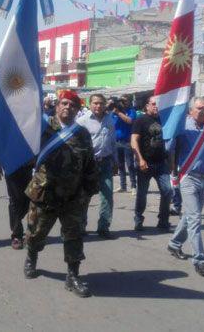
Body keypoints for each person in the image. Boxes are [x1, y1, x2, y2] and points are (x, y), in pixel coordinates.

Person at [23, 90, 99, 298]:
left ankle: (73, 276)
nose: (67, 107)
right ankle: (31, 257)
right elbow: (23, 147)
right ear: (57, 107)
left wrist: (90, 189)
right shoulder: (44, 128)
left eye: (72, 105)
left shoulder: (82, 133)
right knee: (37, 232)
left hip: (74, 196)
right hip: (45, 193)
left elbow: (90, 163)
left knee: (74, 236)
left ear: (77, 109)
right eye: (64, 103)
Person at [166, 97, 204, 278]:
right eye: (198, 108)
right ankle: (200, 260)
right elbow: (169, 148)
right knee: (195, 219)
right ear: (191, 110)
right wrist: (170, 135)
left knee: (190, 216)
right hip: (188, 178)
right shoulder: (181, 127)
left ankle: (175, 244)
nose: (201, 111)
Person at [131, 96, 175, 231]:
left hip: (161, 162)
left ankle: (163, 220)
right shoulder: (140, 120)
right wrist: (140, 159)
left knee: (167, 190)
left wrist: (171, 162)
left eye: (158, 104)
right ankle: (138, 218)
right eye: (153, 104)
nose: (156, 106)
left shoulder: (165, 120)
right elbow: (134, 140)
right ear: (147, 106)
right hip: (146, 163)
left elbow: (171, 141)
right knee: (142, 193)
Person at [77, 93, 116, 239]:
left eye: (101, 103)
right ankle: (81, 227)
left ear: (105, 104)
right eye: (95, 103)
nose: (98, 106)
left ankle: (103, 228)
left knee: (107, 197)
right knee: (85, 197)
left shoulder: (109, 120)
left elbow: (112, 141)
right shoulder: (82, 121)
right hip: (88, 164)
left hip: (105, 162)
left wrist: (115, 161)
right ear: (89, 104)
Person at [112, 94, 137, 194]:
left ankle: (133, 186)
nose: (122, 102)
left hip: (127, 141)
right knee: (120, 165)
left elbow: (130, 121)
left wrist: (118, 113)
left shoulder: (131, 111)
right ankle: (123, 186)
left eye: (124, 100)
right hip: (117, 142)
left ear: (129, 102)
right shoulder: (114, 111)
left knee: (130, 164)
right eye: (121, 100)